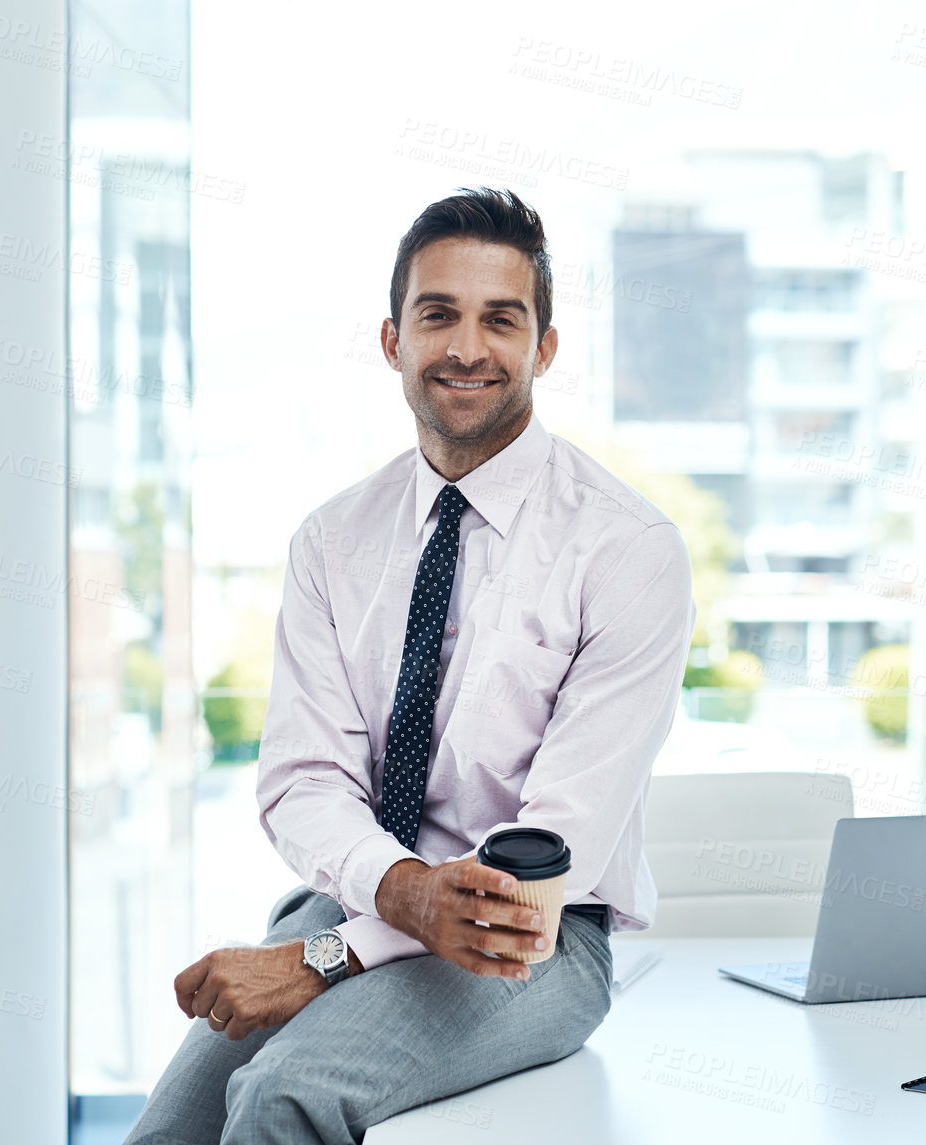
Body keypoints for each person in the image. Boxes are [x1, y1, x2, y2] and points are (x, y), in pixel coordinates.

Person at [126, 186, 695, 1145]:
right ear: (394, 340)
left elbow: (547, 860)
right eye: (439, 315)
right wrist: (390, 899)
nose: (466, 347)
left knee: (281, 1098)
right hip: (363, 896)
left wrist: (319, 958)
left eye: (500, 319)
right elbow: (304, 779)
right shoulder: (333, 541)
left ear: (543, 349)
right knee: (167, 1132)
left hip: (537, 941)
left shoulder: (628, 550)